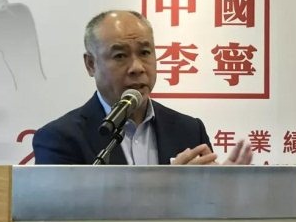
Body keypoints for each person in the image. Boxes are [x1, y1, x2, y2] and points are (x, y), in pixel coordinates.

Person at [33, 10, 252, 165]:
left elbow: (204, 209)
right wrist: (172, 187)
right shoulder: (59, 138)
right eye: (120, 56)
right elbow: (68, 212)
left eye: (145, 53)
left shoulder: (189, 130)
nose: (137, 67)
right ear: (91, 64)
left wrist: (223, 188)